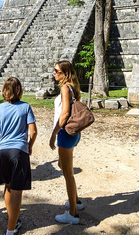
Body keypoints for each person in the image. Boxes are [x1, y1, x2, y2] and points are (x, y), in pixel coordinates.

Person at [0, 77, 37, 235]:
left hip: (4, 150)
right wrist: (29, 146)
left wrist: (0, 145)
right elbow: (33, 131)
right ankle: (10, 229)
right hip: (19, 150)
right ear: (19, 90)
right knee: (17, 190)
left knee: (8, 185)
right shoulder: (25, 107)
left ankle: (12, 218)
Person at [49, 60, 84, 224]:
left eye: (57, 71)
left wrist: (53, 134)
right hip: (73, 133)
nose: (54, 73)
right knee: (63, 166)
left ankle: (73, 213)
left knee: (68, 173)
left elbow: (64, 115)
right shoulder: (72, 87)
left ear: (65, 73)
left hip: (65, 133)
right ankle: (75, 200)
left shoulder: (65, 88)